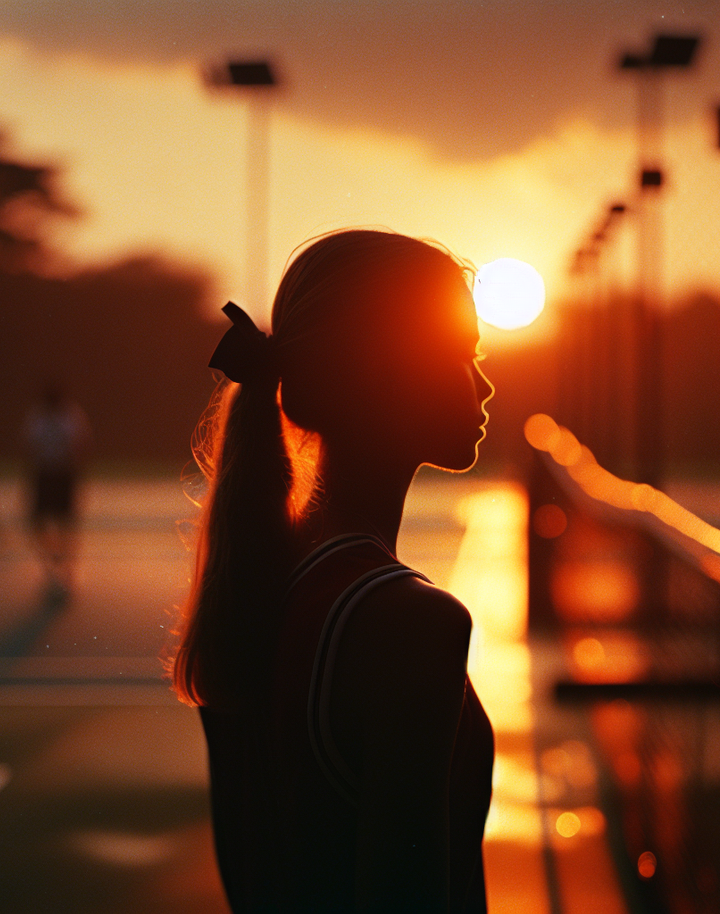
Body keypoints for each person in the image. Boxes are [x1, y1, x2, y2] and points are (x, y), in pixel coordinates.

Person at [170, 230, 496, 913]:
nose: (485, 383)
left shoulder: (252, 594)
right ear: (384, 372)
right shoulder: (412, 624)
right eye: (463, 354)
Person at [25, 380, 90, 598]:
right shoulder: (38, 416)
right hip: (45, 473)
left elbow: (80, 444)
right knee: (39, 522)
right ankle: (54, 560)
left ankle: (66, 568)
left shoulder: (70, 415)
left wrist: (77, 473)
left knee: (65, 523)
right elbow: (30, 446)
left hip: (62, 473)